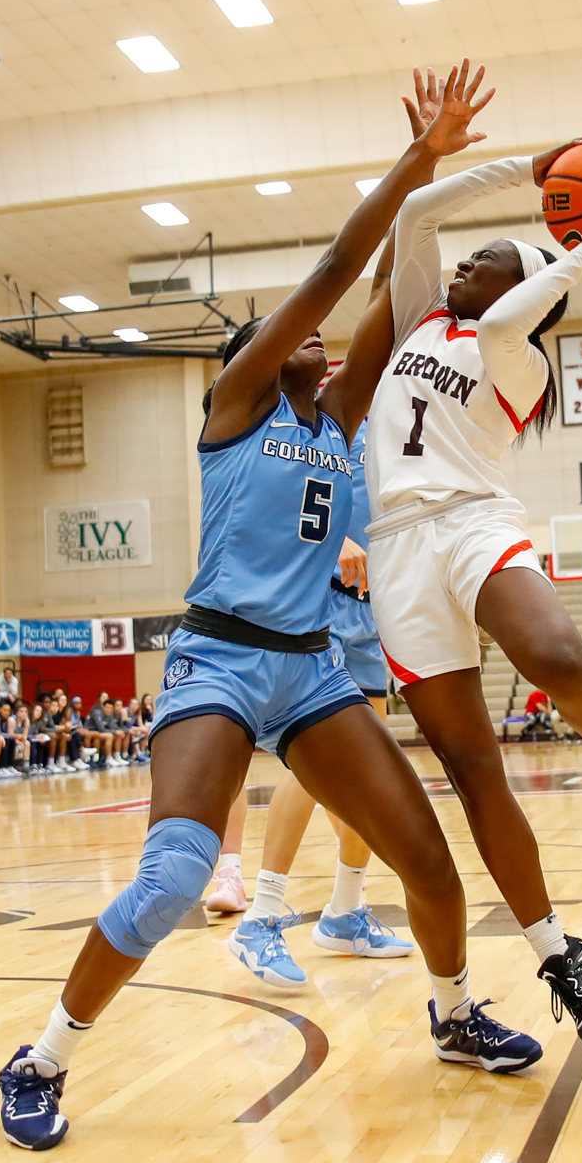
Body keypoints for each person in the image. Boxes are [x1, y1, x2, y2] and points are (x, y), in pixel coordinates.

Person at [0, 63, 552, 1153]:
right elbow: (345, 264)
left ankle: (452, 1015)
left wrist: (449, 218)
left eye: (314, 336)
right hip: (218, 659)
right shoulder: (240, 406)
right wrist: (421, 158)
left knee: (427, 861)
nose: (313, 338)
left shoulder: (344, 414)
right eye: (285, 332)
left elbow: (397, 289)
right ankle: (40, 1055)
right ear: (243, 361)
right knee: (170, 880)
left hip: (311, 668)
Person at [359, 122, 582, 1044]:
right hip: (398, 552)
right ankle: (557, 951)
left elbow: (503, 318)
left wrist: (577, 253)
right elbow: (417, 209)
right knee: (473, 773)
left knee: (553, 653)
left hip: (472, 522)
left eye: (488, 260)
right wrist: (525, 169)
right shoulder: (422, 315)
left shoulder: (520, 359)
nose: (464, 266)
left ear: (527, 288)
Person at [225, 415, 413, 988]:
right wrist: (336, 540)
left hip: (374, 609)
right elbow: (272, 505)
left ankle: (345, 911)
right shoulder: (315, 427)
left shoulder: (403, 426)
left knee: (371, 765)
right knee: (319, 760)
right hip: (320, 606)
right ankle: (261, 915)